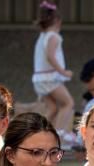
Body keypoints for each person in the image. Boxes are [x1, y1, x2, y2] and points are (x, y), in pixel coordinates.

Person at [31, 1, 75, 141]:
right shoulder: (54, 37)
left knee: (52, 109)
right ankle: (60, 132)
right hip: (49, 78)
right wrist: (63, 72)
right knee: (68, 103)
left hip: (39, 79)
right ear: (57, 21)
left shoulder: (42, 36)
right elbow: (50, 56)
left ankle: (38, 133)